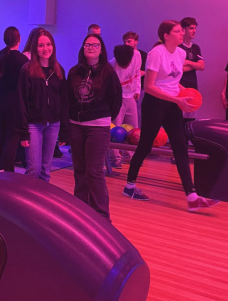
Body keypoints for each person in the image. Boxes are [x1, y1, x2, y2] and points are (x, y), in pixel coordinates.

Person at [125, 20, 219, 212]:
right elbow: (149, 87)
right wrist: (176, 99)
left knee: (180, 146)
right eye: (177, 31)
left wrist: (186, 94)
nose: (182, 33)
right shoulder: (156, 53)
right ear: (166, 35)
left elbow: (173, 82)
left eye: (181, 30)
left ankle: (192, 197)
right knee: (145, 146)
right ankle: (129, 186)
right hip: (155, 103)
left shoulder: (181, 53)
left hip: (173, 103)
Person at [67, 34, 122, 219]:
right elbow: (68, 98)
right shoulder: (74, 72)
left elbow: (116, 100)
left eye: (95, 45)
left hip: (98, 127)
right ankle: (80, 212)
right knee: (79, 170)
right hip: (76, 126)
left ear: (101, 49)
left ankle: (102, 216)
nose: (90, 47)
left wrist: (103, 117)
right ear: (83, 48)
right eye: (87, 44)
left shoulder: (108, 73)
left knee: (95, 171)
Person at [18, 29, 69, 182]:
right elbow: (21, 101)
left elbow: (64, 101)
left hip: (53, 124)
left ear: (53, 46)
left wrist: (64, 131)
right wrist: (23, 133)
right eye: (40, 45)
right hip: (33, 125)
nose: (45, 49)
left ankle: (42, 196)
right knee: (34, 168)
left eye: (48, 44)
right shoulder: (27, 70)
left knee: (46, 168)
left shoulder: (58, 70)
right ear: (35, 48)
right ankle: (27, 195)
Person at [0, 27, 29, 172]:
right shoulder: (21, 59)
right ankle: (7, 171)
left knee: (1, 135)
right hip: (14, 101)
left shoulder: (0, 56)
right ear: (19, 39)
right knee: (12, 137)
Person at [109, 44, 142, 167]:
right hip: (118, 98)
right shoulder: (111, 65)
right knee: (115, 129)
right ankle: (114, 158)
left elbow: (137, 74)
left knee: (133, 128)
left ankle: (129, 156)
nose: (125, 66)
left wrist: (137, 89)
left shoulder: (136, 55)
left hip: (131, 96)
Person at [179, 17, 205, 124]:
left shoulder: (196, 48)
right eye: (191, 28)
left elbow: (202, 66)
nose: (194, 31)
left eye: (195, 28)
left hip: (193, 87)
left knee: (190, 119)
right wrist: (195, 65)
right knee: (179, 118)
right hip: (180, 86)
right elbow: (178, 69)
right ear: (183, 30)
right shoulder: (178, 47)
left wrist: (188, 62)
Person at [123, 31, 146, 127]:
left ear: (136, 42)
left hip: (140, 89)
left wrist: (135, 74)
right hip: (126, 90)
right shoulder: (123, 55)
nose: (126, 44)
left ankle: (138, 132)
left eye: (129, 41)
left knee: (138, 114)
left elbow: (144, 71)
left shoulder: (142, 55)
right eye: (125, 42)